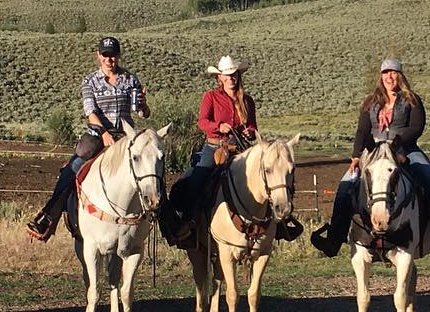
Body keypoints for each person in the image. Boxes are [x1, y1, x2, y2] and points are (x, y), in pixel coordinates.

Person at [311, 58, 430, 256]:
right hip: (373, 152)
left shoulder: (412, 100)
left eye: (393, 73)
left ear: (400, 75)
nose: (389, 77)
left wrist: (397, 143)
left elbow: (416, 127)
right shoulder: (370, 102)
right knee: (346, 185)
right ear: (380, 76)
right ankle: (335, 237)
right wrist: (356, 157)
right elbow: (361, 131)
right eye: (385, 73)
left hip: (405, 149)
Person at [27, 36, 149, 240]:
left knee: (151, 166)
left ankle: (165, 218)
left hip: (125, 136)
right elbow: (90, 112)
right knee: (71, 169)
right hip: (97, 135)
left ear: (119, 56)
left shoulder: (131, 79)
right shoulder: (90, 81)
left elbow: (142, 114)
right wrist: (104, 133)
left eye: (113, 55)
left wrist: (144, 106)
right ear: (99, 56)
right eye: (105, 55)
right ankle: (48, 218)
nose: (109, 60)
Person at [161, 55, 261, 246]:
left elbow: (254, 126)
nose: (231, 78)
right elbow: (202, 122)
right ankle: (188, 223)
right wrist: (218, 126)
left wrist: (250, 132)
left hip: (240, 147)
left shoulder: (247, 101)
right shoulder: (211, 97)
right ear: (220, 78)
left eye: (234, 75)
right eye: (227, 75)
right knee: (195, 180)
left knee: (264, 176)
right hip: (215, 146)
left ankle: (273, 222)